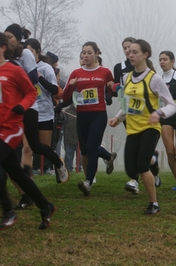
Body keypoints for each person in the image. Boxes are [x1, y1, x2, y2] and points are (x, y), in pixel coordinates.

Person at [4, 23, 69, 210]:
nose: (7, 39)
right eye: (5, 36)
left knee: (35, 146)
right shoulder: (5, 56)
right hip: (12, 108)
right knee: (21, 150)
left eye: (10, 36)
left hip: (30, 106)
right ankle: (26, 193)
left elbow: (32, 79)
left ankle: (57, 161)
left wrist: (13, 74)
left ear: (18, 38)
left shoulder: (24, 54)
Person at [109, 39, 176, 214]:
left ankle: (154, 204)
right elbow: (128, 104)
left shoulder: (154, 79)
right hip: (132, 129)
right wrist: (117, 118)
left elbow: (171, 105)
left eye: (134, 52)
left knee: (141, 166)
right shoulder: (126, 77)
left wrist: (159, 113)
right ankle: (152, 160)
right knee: (130, 170)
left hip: (150, 127)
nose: (130, 55)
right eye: (129, 52)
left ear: (145, 54)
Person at [0, 32, 56, 230]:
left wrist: (21, 107)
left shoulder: (13, 70)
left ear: (2, 48)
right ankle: (45, 205)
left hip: (11, 128)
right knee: (17, 174)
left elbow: (31, 92)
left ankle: (8, 212)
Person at [62, 41, 116, 196]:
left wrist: (112, 87)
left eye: (89, 52)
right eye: (83, 52)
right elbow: (65, 97)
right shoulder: (76, 73)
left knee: (92, 147)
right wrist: (71, 86)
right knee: (85, 149)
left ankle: (88, 182)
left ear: (97, 54)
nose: (85, 55)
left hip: (98, 114)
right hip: (82, 115)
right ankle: (108, 156)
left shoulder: (105, 72)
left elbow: (111, 93)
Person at [25, 38, 62, 175]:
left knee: (44, 146)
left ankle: (54, 166)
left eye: (31, 52)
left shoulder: (46, 68)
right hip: (29, 110)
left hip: (45, 112)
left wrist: (39, 77)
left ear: (38, 52)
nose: (28, 55)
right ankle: (32, 170)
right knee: (28, 146)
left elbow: (54, 90)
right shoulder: (23, 67)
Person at [159, 50, 176, 190]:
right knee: (170, 151)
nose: (162, 62)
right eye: (160, 59)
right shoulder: (158, 79)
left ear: (172, 61)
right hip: (165, 118)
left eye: (165, 59)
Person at [63, 104, 82, 172]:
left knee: (79, 155)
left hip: (78, 138)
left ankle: (79, 168)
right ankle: (68, 169)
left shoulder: (81, 111)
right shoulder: (67, 111)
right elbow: (63, 125)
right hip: (68, 137)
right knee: (69, 155)